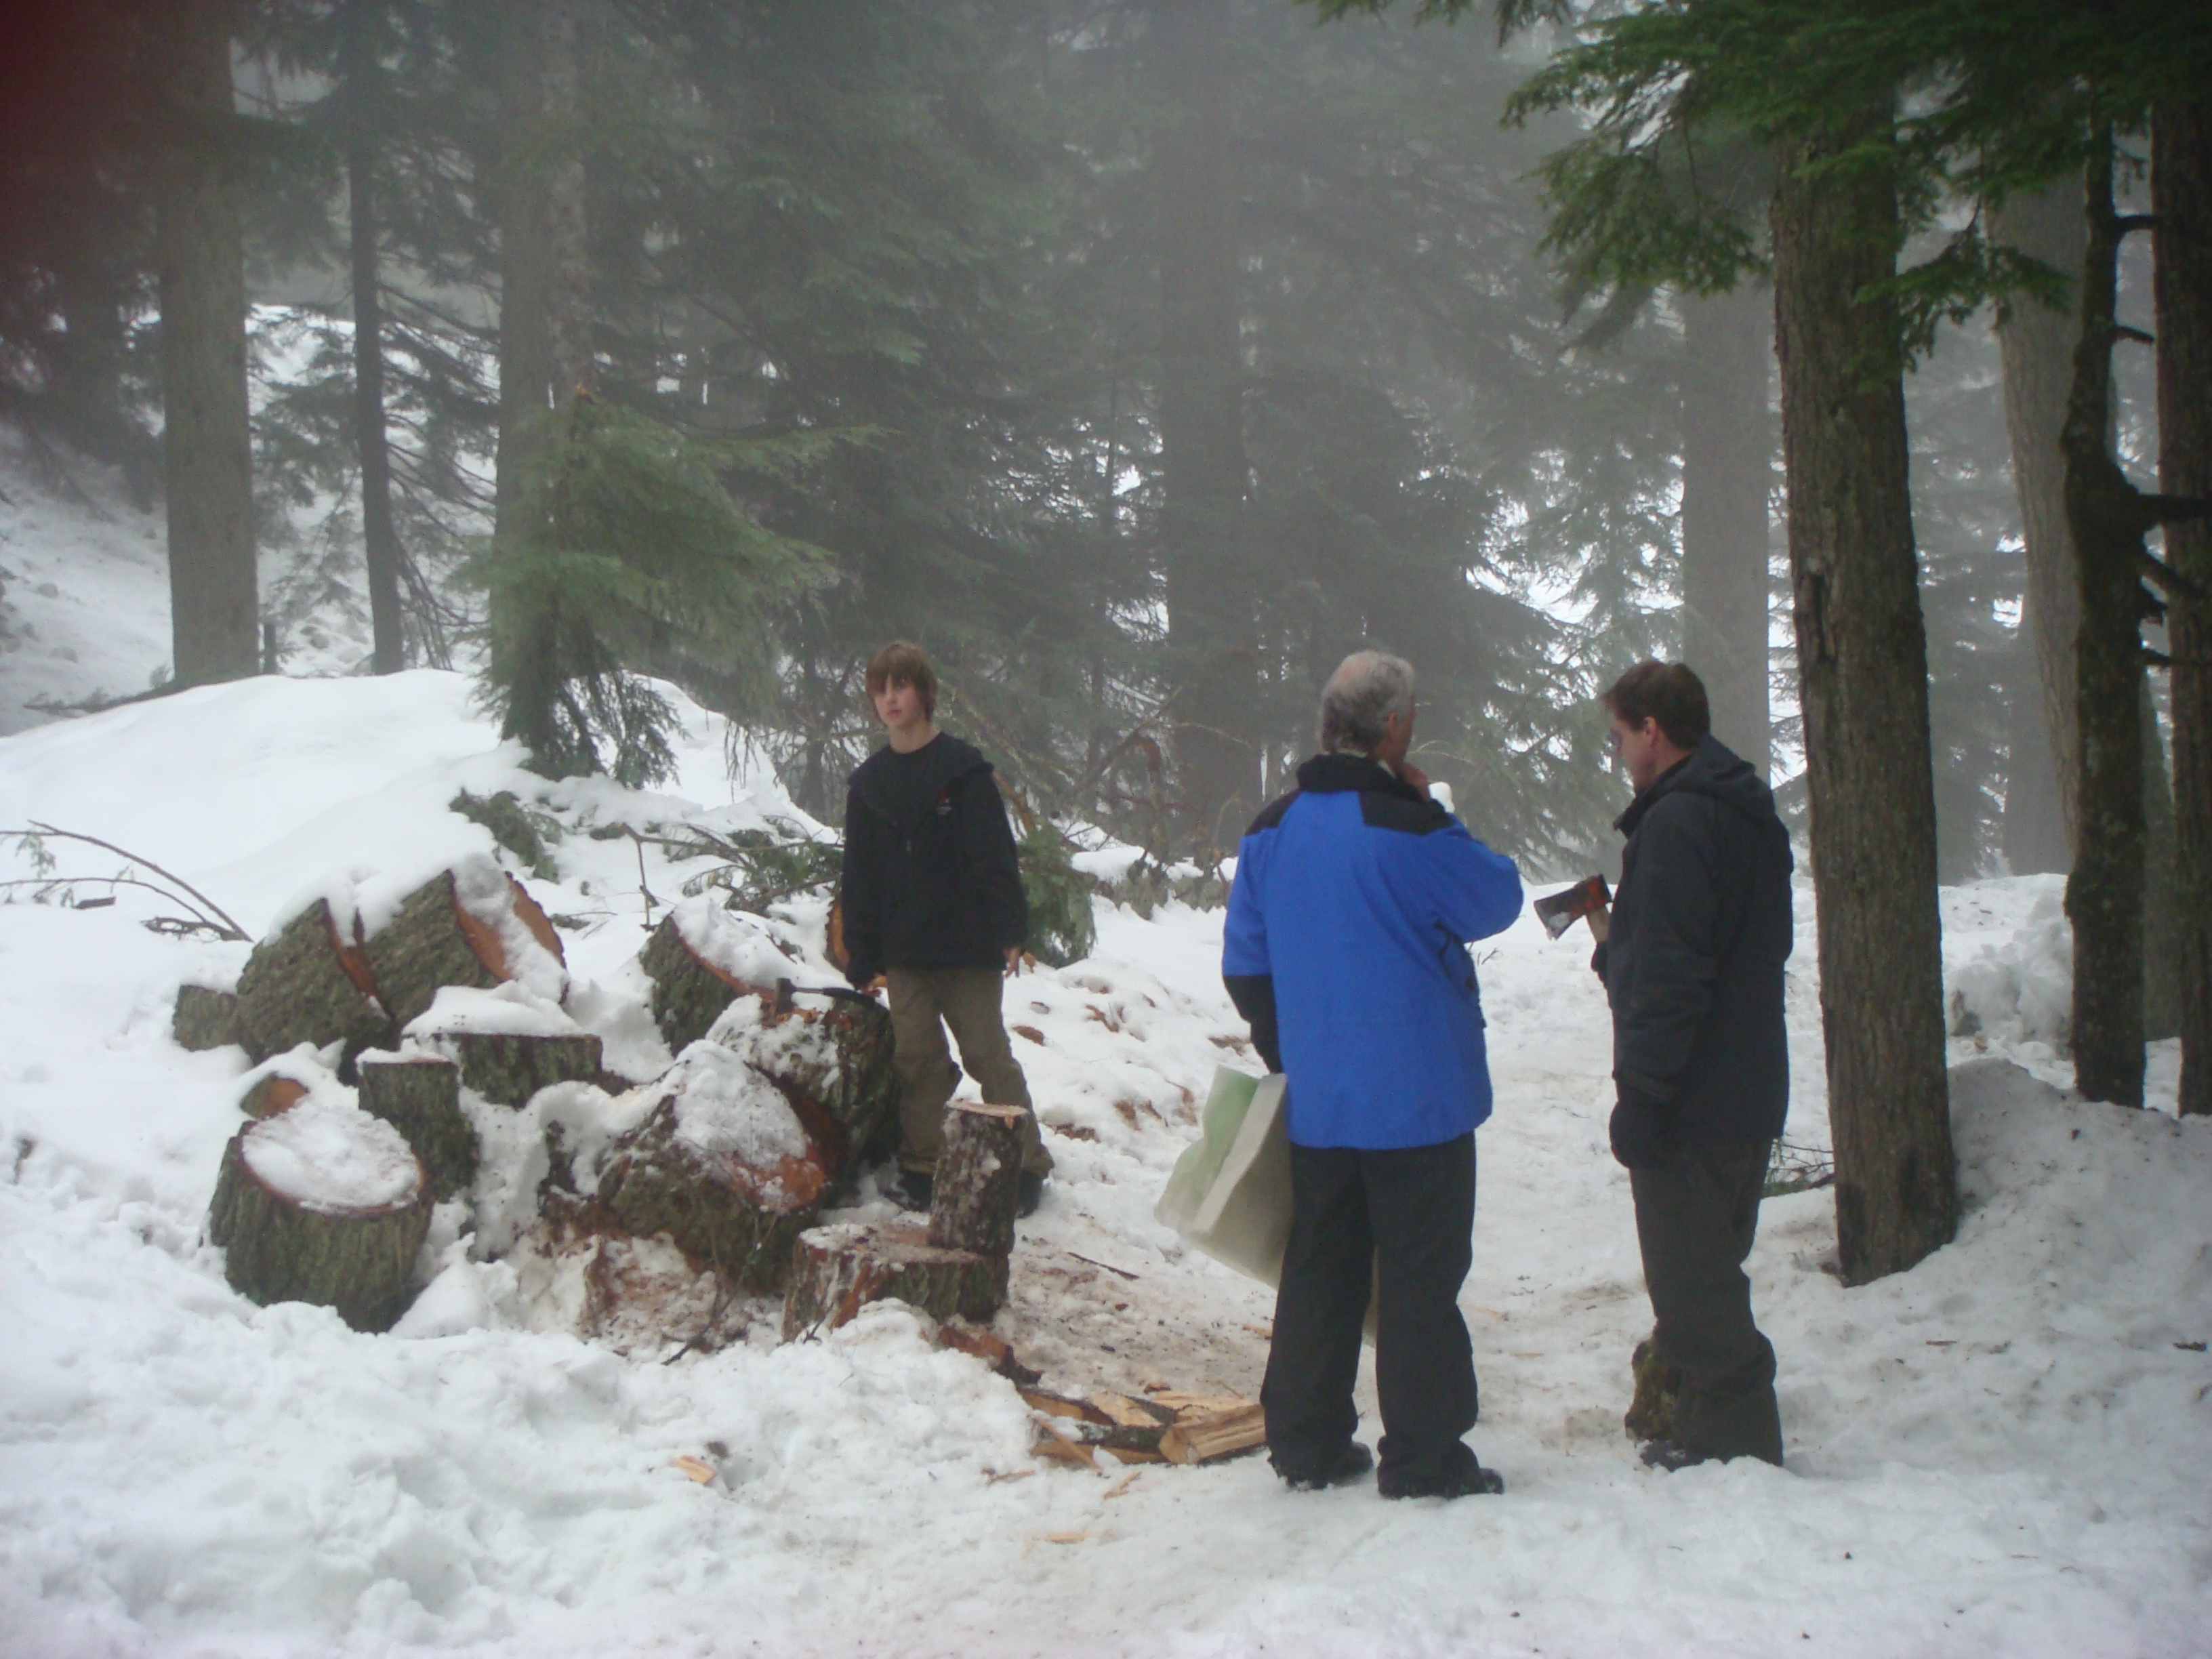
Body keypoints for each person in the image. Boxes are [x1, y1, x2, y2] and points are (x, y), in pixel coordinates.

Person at [1222, 651, 1523, 1498]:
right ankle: (1425, 1457)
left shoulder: (1271, 829)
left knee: (1322, 1268)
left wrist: (1293, 1053)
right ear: (1393, 727)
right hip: (1421, 1098)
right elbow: (1497, 899)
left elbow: (1246, 966)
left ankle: (1306, 1442)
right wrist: (1436, 808)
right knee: (1422, 1276)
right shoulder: (1409, 826)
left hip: (1323, 1103)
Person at [1595, 660, 1793, 1470]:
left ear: (1653, 730)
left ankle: (1737, 1447)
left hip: (1696, 1096)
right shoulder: (1744, 809)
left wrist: (1643, 1095)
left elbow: (1674, 979)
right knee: (1709, 1265)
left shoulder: (1678, 825)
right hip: (1746, 1084)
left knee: (1691, 1284)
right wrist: (1620, 946)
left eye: (1620, 736)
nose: (1617, 753)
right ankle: (1707, 1426)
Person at [839, 640, 1052, 1214]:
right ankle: (924, 1166)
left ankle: (1027, 1165)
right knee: (918, 1062)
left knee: (987, 1054)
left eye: (900, 686)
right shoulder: (869, 786)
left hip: (968, 947)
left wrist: (1010, 928)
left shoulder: (963, 771)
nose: (890, 699)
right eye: (880, 689)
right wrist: (860, 955)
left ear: (924, 693)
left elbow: (994, 857)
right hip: (906, 953)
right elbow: (858, 876)